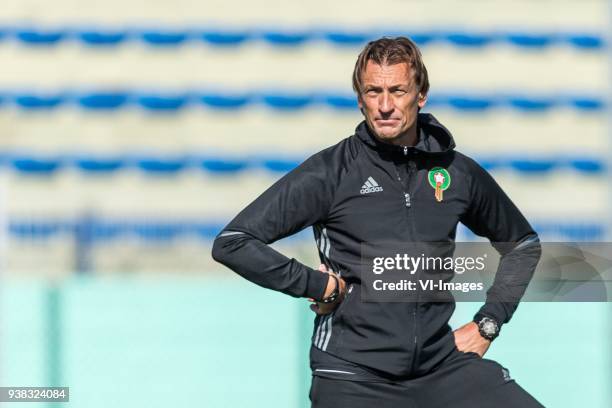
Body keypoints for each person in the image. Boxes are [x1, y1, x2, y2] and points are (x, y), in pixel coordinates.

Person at [212, 36, 543, 407]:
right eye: (373, 91)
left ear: (421, 94)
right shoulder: (331, 172)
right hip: (353, 375)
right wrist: (318, 285)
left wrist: (488, 323)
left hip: (439, 368)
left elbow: (523, 245)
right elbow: (233, 241)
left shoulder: (456, 172)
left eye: (397, 90)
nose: (385, 105)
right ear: (360, 98)